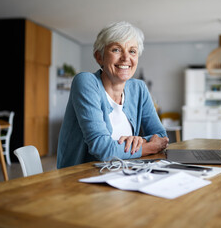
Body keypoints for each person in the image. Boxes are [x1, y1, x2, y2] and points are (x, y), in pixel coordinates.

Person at [57, 21, 169, 168]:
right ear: (99, 57)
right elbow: (102, 149)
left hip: (125, 173)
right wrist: (148, 147)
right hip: (79, 179)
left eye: (132, 51)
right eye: (116, 50)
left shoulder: (139, 88)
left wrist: (139, 140)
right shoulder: (85, 81)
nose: (125, 58)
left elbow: (161, 137)